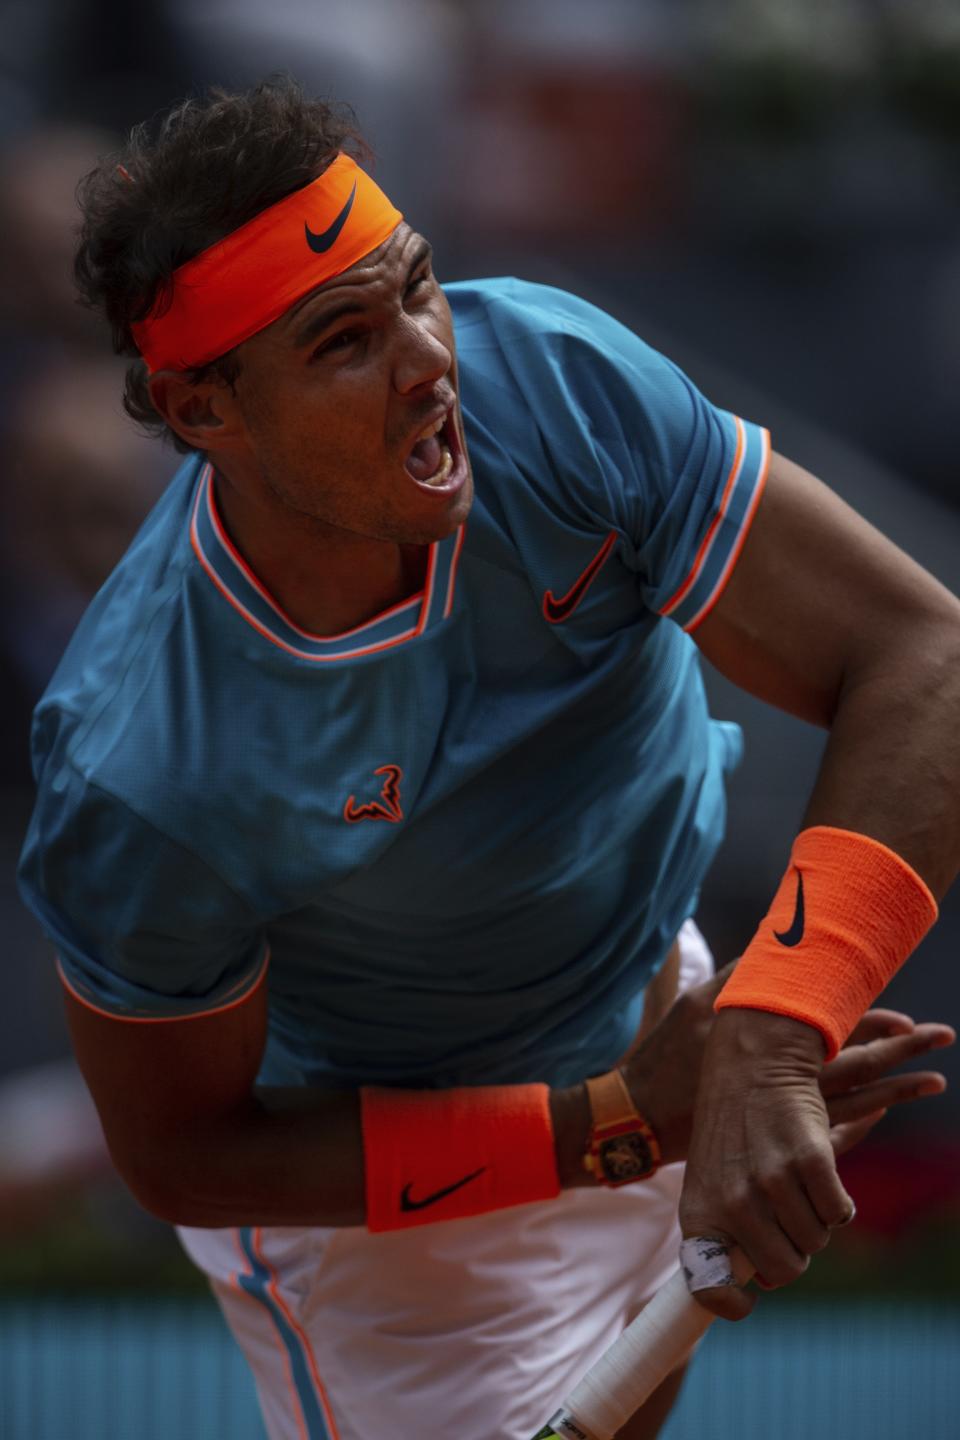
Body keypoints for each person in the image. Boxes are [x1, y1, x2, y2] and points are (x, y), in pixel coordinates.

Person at [17, 78, 959, 1440]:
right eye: (346, 339)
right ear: (206, 411)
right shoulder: (138, 762)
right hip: (407, 1233)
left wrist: (765, 1035)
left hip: (683, 1025)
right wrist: (620, 1126)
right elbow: (182, 1151)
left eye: (417, 287)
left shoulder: (556, 380)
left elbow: (924, 656)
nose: (427, 359)